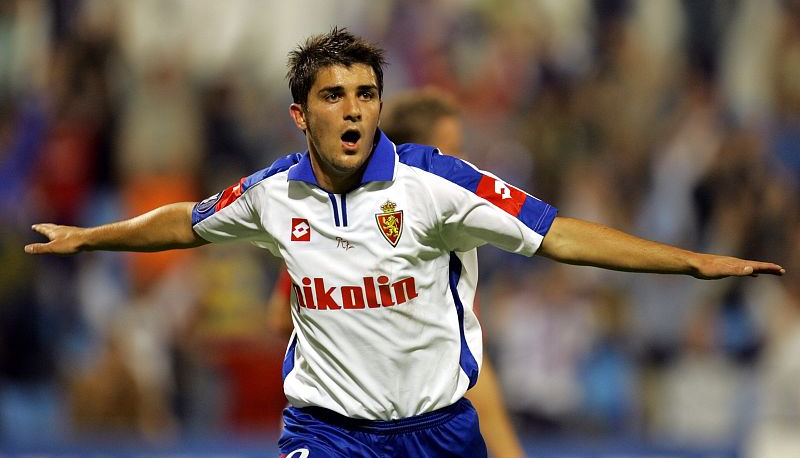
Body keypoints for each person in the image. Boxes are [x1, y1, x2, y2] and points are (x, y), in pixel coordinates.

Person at [25, 28, 784, 458]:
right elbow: (183, 221)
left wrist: (688, 261)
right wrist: (90, 238)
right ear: (301, 116)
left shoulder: (434, 184)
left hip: (436, 432)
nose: (354, 110)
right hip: (324, 432)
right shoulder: (272, 193)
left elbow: (558, 236)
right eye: (334, 96)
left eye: (365, 94)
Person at [265, 86, 526, 458]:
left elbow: (278, 319)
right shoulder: (348, 229)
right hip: (348, 426)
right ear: (417, 159)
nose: (466, 162)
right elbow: (280, 319)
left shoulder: (340, 222)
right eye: (451, 150)